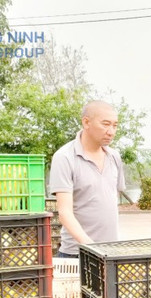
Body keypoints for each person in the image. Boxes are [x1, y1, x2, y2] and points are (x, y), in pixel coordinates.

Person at [49, 100, 125, 258]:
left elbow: (110, 202)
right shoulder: (64, 157)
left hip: (110, 252)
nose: (111, 131)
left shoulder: (114, 156)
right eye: (105, 124)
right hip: (77, 253)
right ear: (86, 122)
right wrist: (92, 247)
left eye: (115, 125)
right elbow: (64, 213)